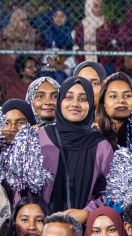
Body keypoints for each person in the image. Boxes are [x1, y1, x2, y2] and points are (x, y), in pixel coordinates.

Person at [36, 77, 113, 216]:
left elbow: (109, 191)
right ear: (60, 102)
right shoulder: (40, 139)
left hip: (83, 229)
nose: (75, 104)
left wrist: (87, 213)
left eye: (82, 99)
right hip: (41, 229)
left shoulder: (101, 146)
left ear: (91, 104)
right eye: (69, 97)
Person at [95, 72, 132, 147]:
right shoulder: (92, 137)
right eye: (113, 96)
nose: (121, 100)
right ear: (103, 102)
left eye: (127, 95)